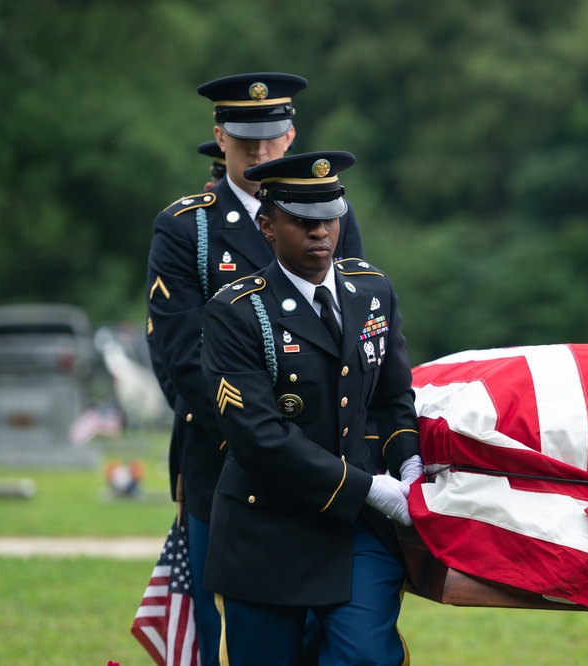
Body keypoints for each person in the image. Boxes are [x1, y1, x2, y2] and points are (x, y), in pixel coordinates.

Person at [145, 72, 365, 666]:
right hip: (225, 457)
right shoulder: (186, 227)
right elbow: (182, 356)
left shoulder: (329, 211)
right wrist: (261, 437)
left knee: (329, 627)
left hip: (325, 461)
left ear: (290, 135)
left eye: (270, 137)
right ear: (220, 138)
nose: (259, 150)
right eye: (245, 139)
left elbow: (350, 332)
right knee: (245, 631)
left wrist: (315, 451)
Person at [199, 150, 421, 665]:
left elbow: (392, 396)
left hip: (355, 531)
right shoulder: (236, 310)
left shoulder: (372, 290)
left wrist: (407, 458)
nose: (321, 232)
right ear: (268, 225)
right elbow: (259, 436)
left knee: (366, 656)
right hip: (268, 531)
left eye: (330, 218)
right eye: (303, 220)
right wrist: (372, 488)